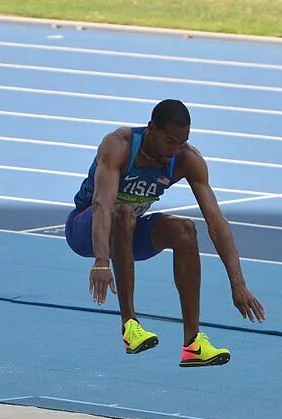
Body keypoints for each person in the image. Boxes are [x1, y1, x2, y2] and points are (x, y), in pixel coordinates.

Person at [65, 98, 266, 367]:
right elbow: (102, 205)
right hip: (86, 228)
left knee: (184, 230)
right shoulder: (119, 145)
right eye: (170, 141)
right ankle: (130, 327)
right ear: (151, 129)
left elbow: (216, 222)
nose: (175, 150)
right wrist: (101, 261)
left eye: (182, 142)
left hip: (129, 233)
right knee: (123, 211)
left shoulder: (186, 159)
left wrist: (237, 283)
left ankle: (193, 344)